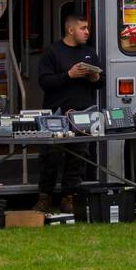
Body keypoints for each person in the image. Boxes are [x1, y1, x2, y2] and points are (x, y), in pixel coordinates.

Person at [35, 14, 103, 214]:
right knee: (51, 157)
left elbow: (101, 83)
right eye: (83, 28)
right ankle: (44, 197)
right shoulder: (52, 52)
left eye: (87, 28)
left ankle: (69, 198)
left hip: (84, 115)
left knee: (78, 157)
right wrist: (69, 75)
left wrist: (95, 77)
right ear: (70, 30)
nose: (87, 32)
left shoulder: (90, 53)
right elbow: (44, 82)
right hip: (56, 115)